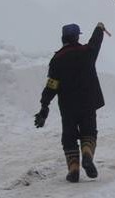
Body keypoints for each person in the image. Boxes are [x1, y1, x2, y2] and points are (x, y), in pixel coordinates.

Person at [34, 22, 107, 183]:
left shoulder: (57, 59)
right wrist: (99, 29)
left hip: (68, 105)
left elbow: (52, 84)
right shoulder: (87, 53)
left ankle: (73, 169)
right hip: (88, 101)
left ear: (63, 39)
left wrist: (44, 106)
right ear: (77, 37)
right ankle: (87, 152)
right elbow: (95, 42)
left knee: (69, 136)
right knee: (89, 131)